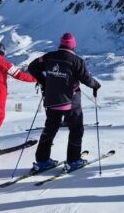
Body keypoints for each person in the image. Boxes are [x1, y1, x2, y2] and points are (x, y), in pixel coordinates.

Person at [28, 33, 102, 172]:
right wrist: (96, 85)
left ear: (61, 44)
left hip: (51, 101)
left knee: (49, 129)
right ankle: (73, 160)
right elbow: (86, 79)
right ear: (73, 45)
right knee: (76, 129)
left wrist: (45, 83)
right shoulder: (76, 60)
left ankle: (42, 161)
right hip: (71, 102)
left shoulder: (49, 56)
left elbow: (32, 67)